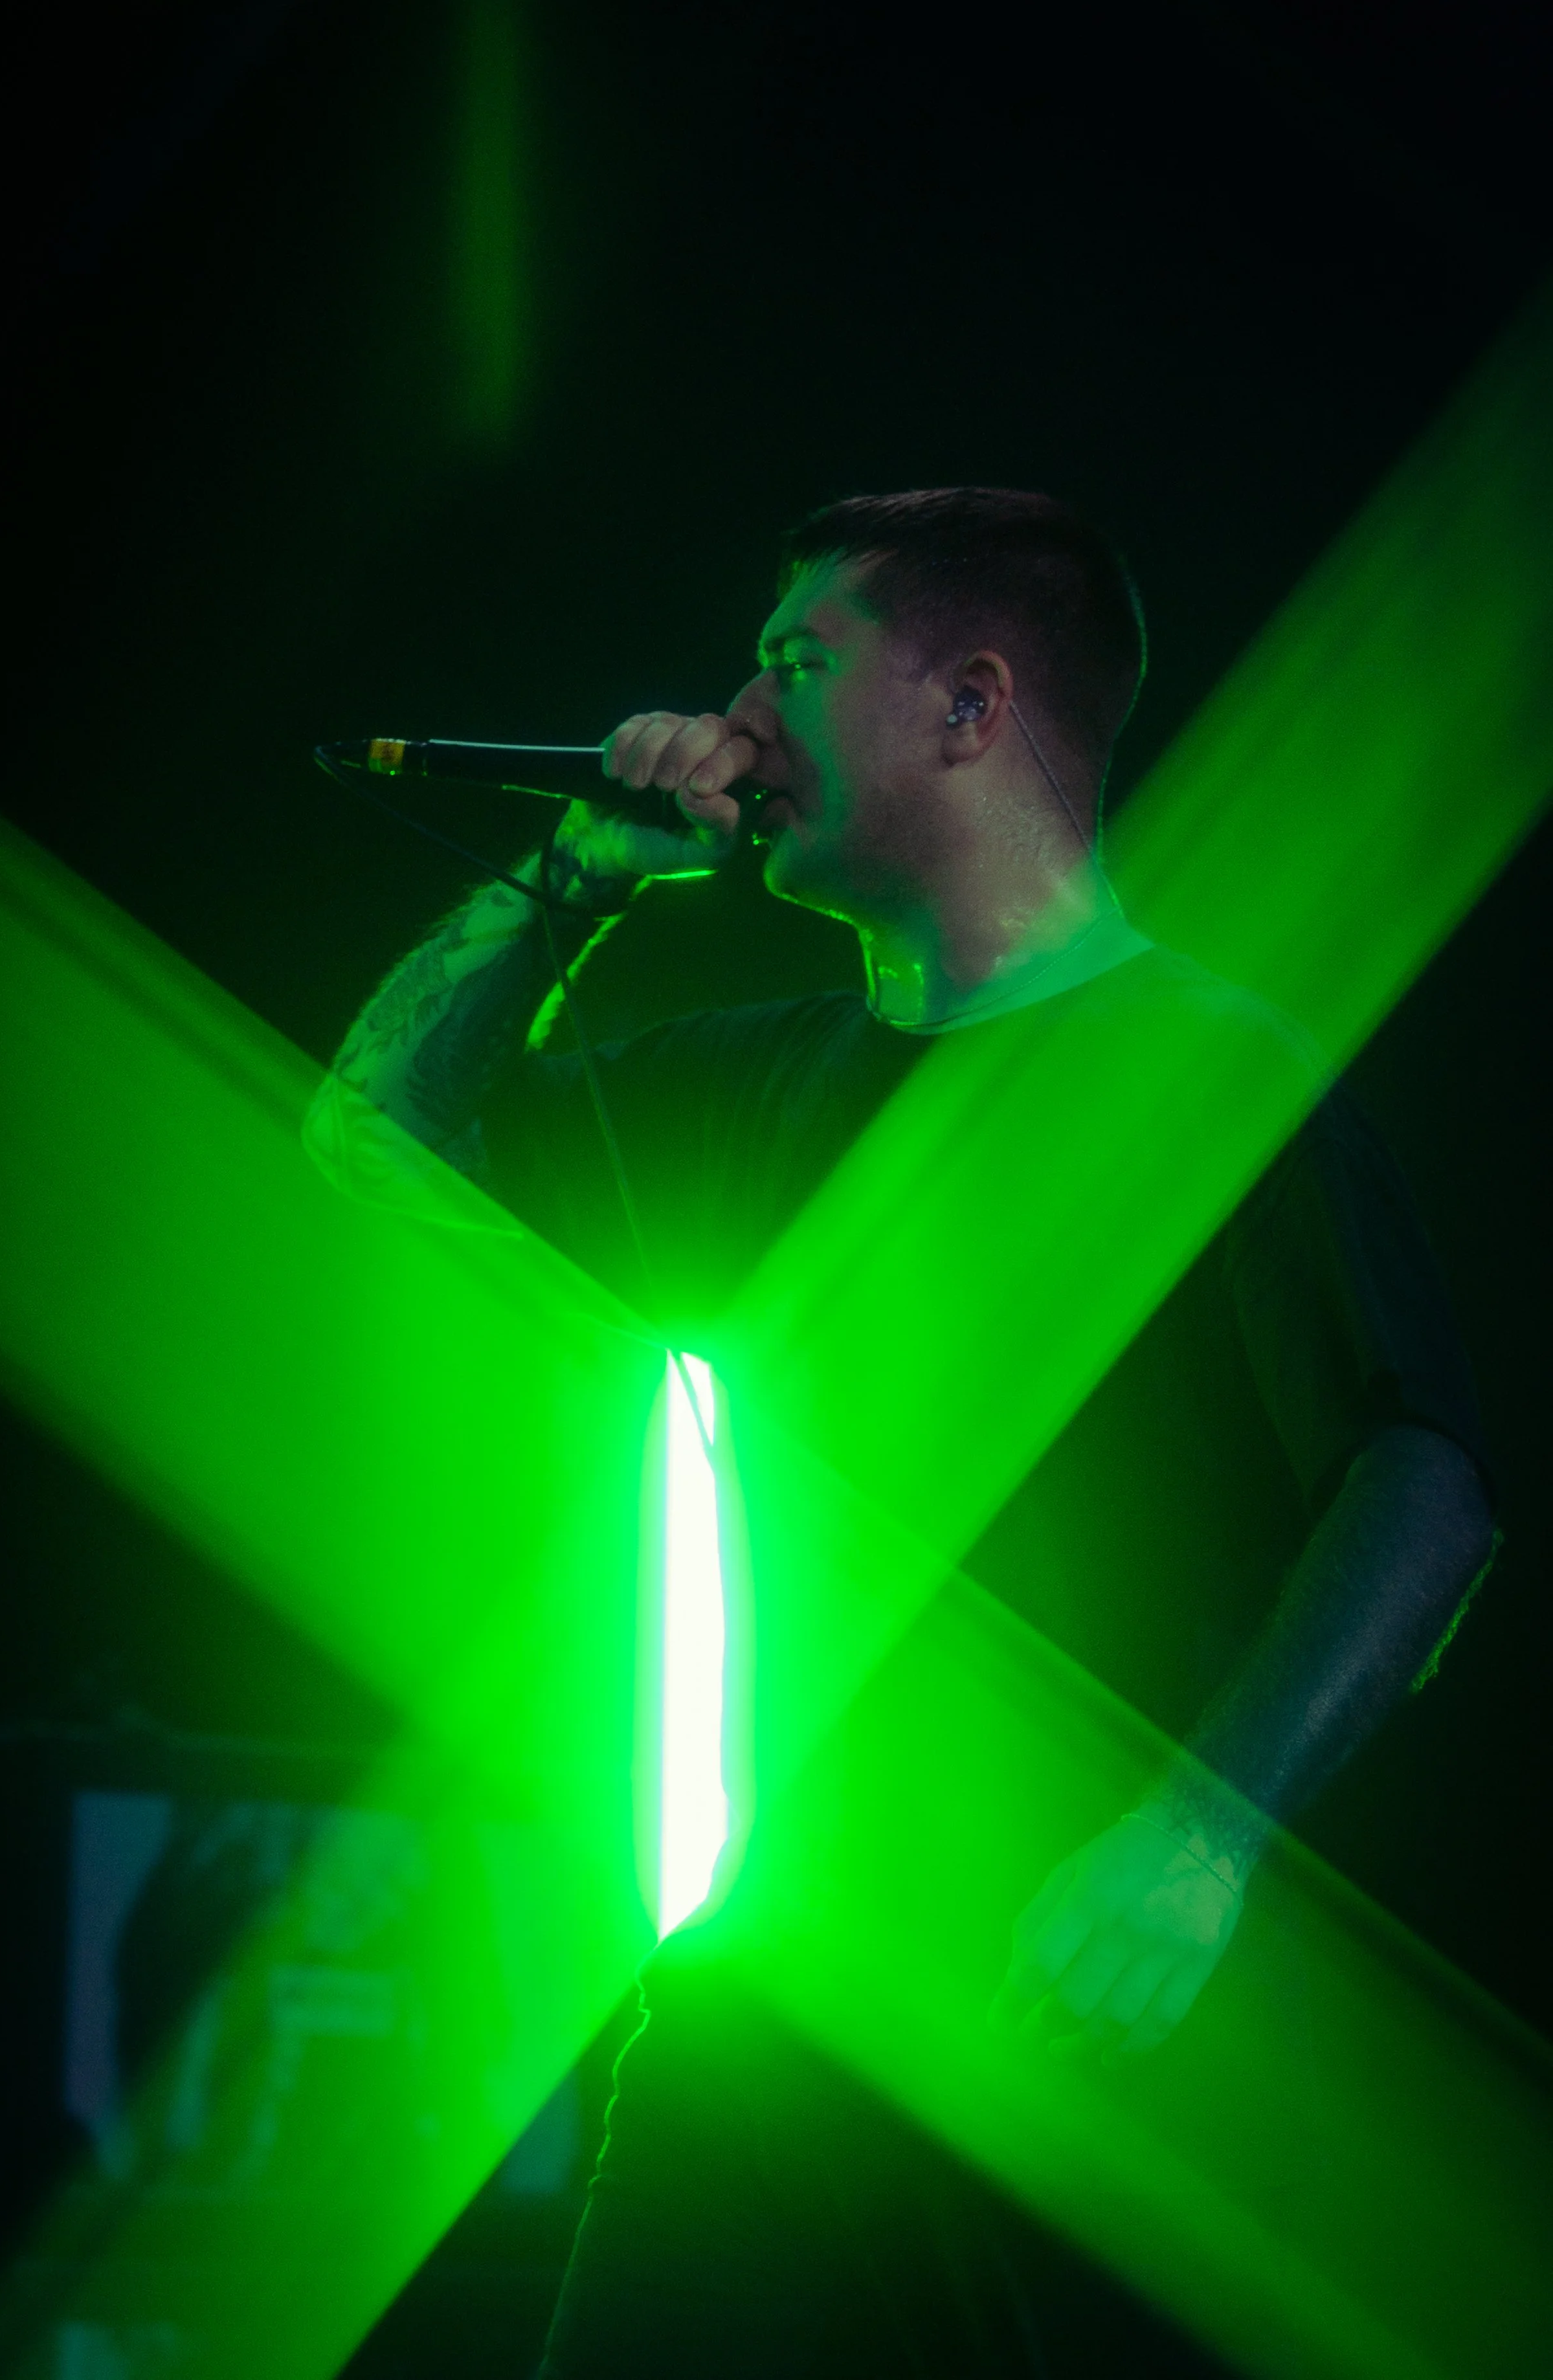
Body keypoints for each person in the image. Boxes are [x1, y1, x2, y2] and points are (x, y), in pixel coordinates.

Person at [305, 489, 1497, 2375]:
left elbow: (1421, 1478)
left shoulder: (1208, 1068)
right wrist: (577, 870)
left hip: (1095, 2029)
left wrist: (1196, 1842)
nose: (737, 719)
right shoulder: (761, 1086)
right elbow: (375, 1147)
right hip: (775, 2019)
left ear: (968, 705)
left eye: (794, 662)